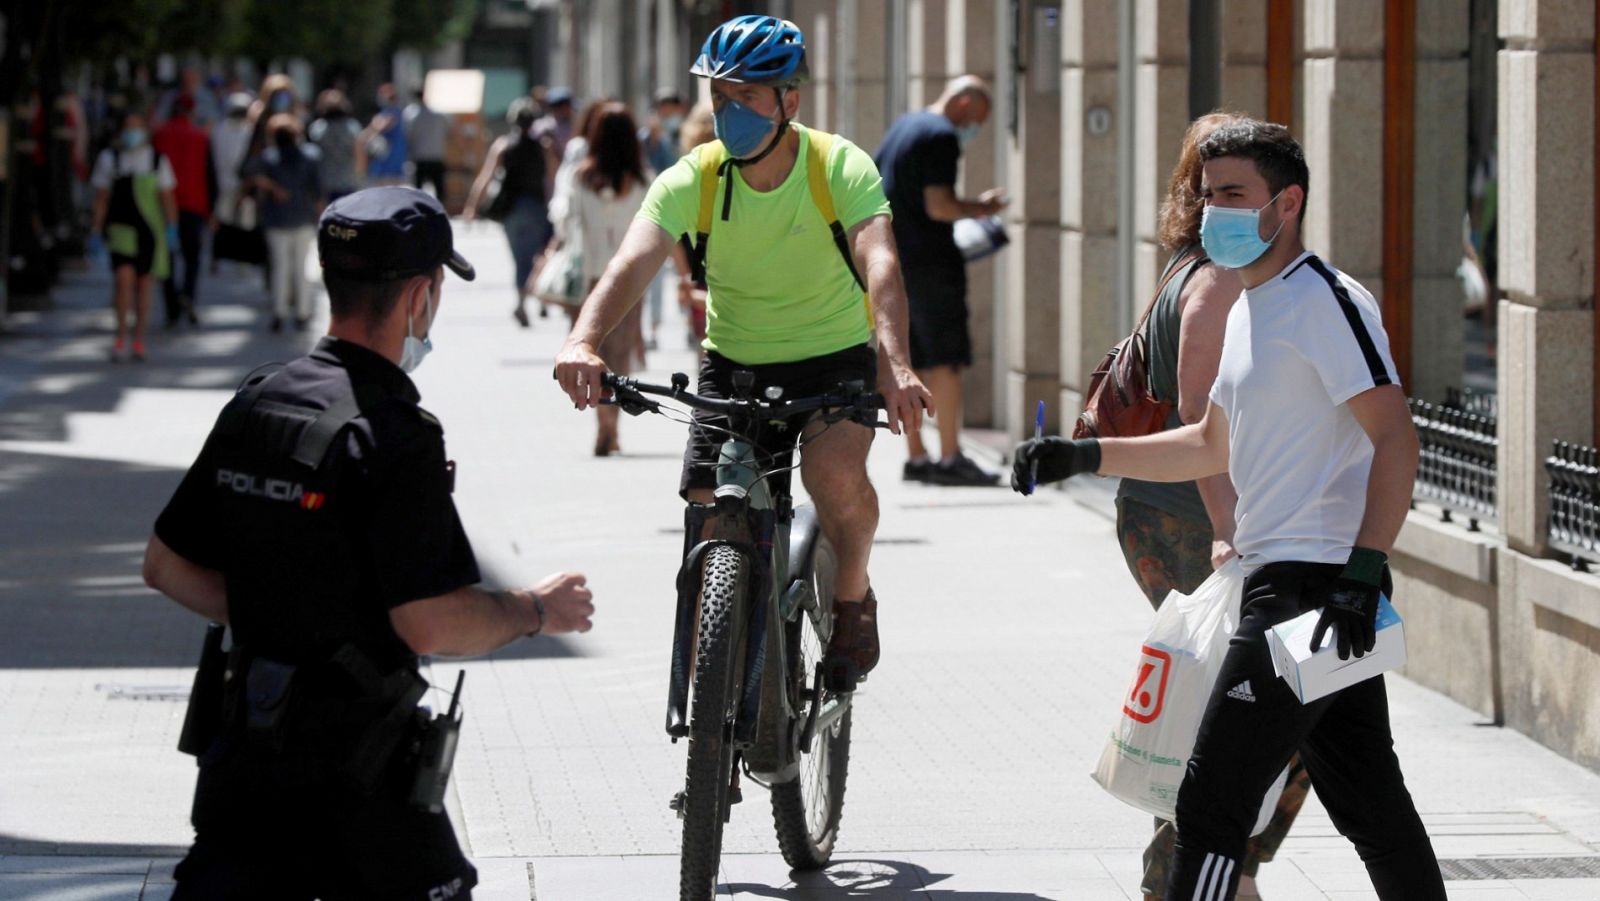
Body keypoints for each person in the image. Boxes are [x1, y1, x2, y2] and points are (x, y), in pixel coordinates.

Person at [1012, 119, 1446, 901]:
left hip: (1311, 596)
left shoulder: (1326, 300)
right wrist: (1084, 457)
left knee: (1210, 809)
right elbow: (1213, 441)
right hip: (1282, 583)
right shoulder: (1248, 304)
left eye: (1235, 195)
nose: (1216, 212)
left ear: (1289, 202)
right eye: (1209, 195)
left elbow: (1396, 439)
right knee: (1373, 808)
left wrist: (1363, 570)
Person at [143, 186, 596, 901]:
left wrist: (277, 615)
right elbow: (431, 620)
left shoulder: (261, 397)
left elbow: (165, 564)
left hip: (245, 757)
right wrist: (535, 609)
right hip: (359, 768)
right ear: (420, 297)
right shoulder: (394, 433)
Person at [554, 15, 933, 692]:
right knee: (709, 509)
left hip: (832, 357)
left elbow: (881, 263)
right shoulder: (694, 179)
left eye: (748, 96)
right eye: (719, 96)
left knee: (833, 476)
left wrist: (895, 362)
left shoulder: (836, 166)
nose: (730, 112)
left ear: (790, 100)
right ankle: (712, 697)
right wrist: (583, 339)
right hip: (734, 365)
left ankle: (852, 596)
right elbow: (628, 265)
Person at [1116, 111, 1310, 901]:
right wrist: (1232, 531)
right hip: (1195, 521)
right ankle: (1202, 873)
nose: (1228, 199)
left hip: (1188, 518)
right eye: (1219, 186)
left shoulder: (1199, 268)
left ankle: (1216, 872)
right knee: (1247, 711)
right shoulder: (1214, 284)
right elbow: (1206, 432)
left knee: (1232, 708)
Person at [873, 75, 1007, 486]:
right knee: (947, 360)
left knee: (910, 361)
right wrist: (979, 208)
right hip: (932, 263)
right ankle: (950, 456)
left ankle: (917, 457)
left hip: (898, 260)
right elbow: (939, 205)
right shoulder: (940, 135)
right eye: (978, 120)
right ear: (964, 103)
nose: (973, 131)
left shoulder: (905, 125)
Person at [563, 102, 649, 456]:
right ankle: (613, 424)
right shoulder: (644, 180)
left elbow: (570, 222)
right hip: (629, 280)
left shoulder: (581, 177)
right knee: (621, 353)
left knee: (591, 350)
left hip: (590, 277)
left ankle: (602, 424)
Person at [89, 110, 179, 362]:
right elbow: (102, 198)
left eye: (137, 127)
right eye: (128, 126)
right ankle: (120, 337)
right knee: (123, 279)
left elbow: (167, 198)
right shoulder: (110, 159)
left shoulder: (157, 160)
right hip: (120, 231)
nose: (132, 133)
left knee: (143, 284)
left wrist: (172, 227)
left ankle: (138, 339)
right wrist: (96, 229)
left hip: (149, 231)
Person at [464, 98, 550, 328]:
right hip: (535, 207)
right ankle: (534, 298)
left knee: (520, 258)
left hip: (511, 210)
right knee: (535, 256)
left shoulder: (503, 145)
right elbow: (551, 179)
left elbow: (486, 177)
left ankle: (522, 301)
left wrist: (472, 206)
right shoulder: (543, 146)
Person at [245, 114, 323, 332]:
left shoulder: (268, 157)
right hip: (301, 217)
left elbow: (248, 173)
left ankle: (280, 312)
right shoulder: (309, 156)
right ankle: (302, 312)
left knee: (280, 267)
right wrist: (320, 214)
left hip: (277, 219)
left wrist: (271, 187)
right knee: (300, 267)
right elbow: (317, 190)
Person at [153, 94, 216, 328]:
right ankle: (188, 295)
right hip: (194, 204)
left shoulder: (159, 135)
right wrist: (211, 208)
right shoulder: (200, 137)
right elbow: (210, 174)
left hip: (163, 204)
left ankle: (171, 307)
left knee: (165, 257)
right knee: (192, 257)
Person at [639, 88, 689, 350]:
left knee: (687, 274)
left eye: (673, 109)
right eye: (664, 109)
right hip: (659, 213)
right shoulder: (646, 140)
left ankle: (691, 323)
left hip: (686, 213)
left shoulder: (687, 134)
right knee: (655, 275)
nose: (668, 114)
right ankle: (654, 328)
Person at [309, 89, 366, 204]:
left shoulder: (317, 128)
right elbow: (360, 154)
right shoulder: (352, 127)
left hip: (326, 183)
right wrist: (360, 175)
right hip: (345, 182)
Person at [404, 88, 450, 199]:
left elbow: (409, 136)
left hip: (420, 157)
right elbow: (447, 132)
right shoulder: (439, 115)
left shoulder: (411, 115)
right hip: (436, 156)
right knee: (439, 190)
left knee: (418, 192)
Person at [366, 83, 409, 187]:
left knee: (390, 187)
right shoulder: (385, 112)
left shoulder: (393, 112)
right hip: (384, 157)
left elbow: (379, 127)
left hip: (391, 157)